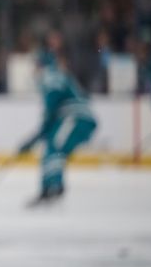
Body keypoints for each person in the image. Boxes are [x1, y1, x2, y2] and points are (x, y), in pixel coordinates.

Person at [18, 50, 98, 206]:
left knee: (55, 147)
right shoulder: (58, 75)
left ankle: (54, 187)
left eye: (36, 64)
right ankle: (49, 187)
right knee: (52, 147)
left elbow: (51, 107)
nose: (34, 68)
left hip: (75, 118)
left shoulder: (50, 76)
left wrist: (35, 137)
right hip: (74, 118)